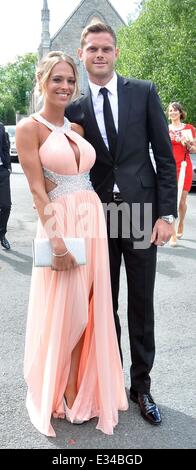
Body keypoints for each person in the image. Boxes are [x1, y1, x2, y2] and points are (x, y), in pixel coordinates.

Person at [65, 22, 178, 425]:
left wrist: (166, 215)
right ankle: (111, 381)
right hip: (98, 217)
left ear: (116, 53)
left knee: (141, 305)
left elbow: (164, 157)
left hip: (141, 214)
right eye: (92, 49)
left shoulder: (143, 92)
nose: (99, 55)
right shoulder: (74, 108)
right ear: (82, 54)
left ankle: (142, 387)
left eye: (106, 49)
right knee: (104, 304)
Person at [15, 51, 128, 437]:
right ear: (42, 81)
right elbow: (35, 188)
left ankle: (79, 386)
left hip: (92, 218)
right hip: (60, 224)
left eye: (69, 81)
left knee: (94, 304)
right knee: (67, 308)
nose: (64, 86)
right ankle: (60, 386)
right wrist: (56, 239)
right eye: (56, 80)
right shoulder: (30, 128)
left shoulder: (77, 130)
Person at [168, 102, 196, 246]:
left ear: (180, 113)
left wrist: (188, 144)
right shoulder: (165, 129)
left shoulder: (189, 128)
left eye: (174, 110)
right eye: (170, 111)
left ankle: (181, 223)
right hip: (169, 168)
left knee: (182, 201)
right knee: (173, 200)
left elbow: (194, 149)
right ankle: (173, 232)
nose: (172, 113)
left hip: (184, 166)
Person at [0, 122, 11, 250]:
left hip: (2, 170)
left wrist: (8, 166)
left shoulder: (1, 126)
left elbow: (5, 147)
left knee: (6, 205)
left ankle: (2, 234)